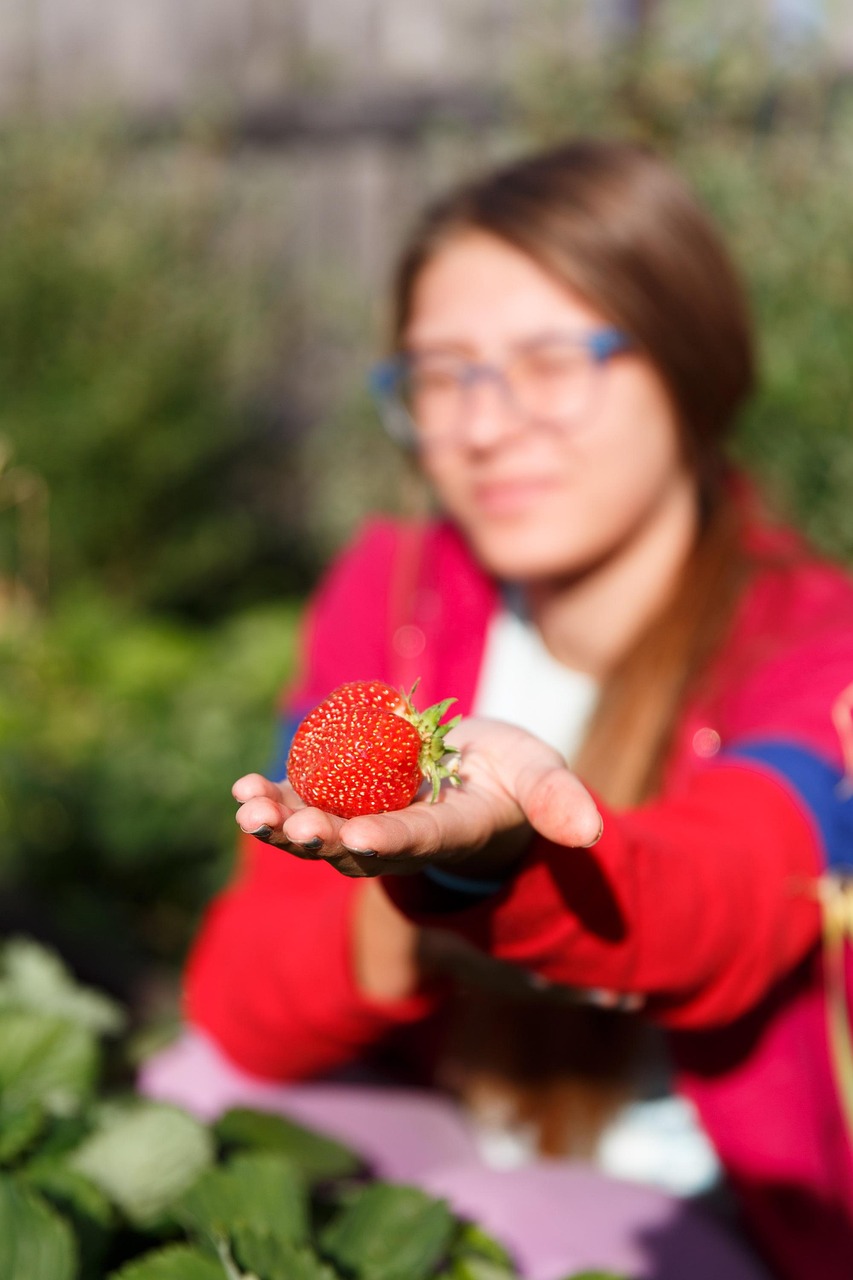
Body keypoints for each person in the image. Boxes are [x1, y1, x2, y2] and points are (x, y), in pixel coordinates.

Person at [149, 141, 853, 1280]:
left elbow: (731, 899)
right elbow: (240, 994)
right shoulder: (391, 595)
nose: (480, 428)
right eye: (439, 375)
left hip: (712, 1215)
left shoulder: (817, 641)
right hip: (455, 1133)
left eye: (548, 360)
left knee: (505, 1221)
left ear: (688, 361)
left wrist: (498, 867)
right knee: (189, 1090)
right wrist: (407, 896)